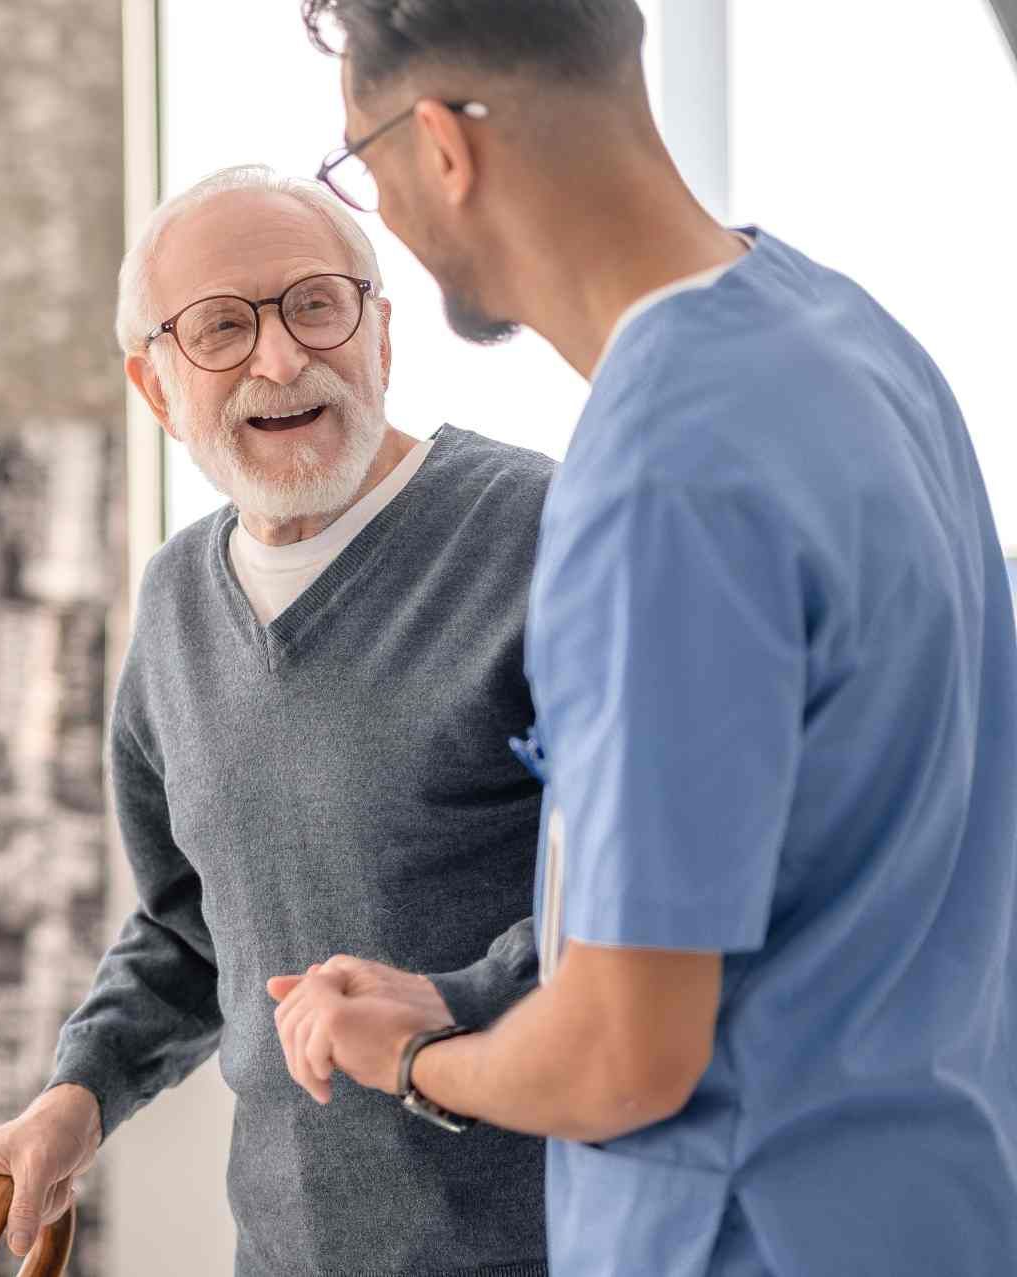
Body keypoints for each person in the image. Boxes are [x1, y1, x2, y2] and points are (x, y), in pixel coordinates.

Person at [270, 3, 1017, 1274]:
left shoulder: (656, 480)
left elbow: (626, 1057)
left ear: (443, 146)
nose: (377, 209)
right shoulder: (854, 341)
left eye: (359, 160)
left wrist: (410, 1055)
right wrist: (463, 994)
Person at [0, 163, 557, 1275]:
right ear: (156, 387)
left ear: (382, 331)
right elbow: (191, 929)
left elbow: (634, 928)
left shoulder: (545, 536)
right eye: (222, 328)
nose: (281, 359)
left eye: (317, 305)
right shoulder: (177, 599)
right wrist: (72, 1102)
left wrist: (441, 1010)